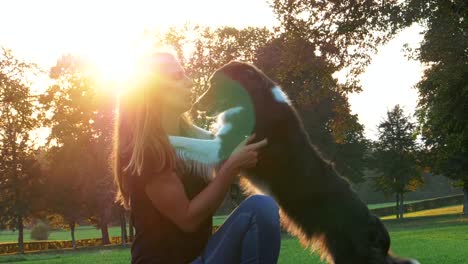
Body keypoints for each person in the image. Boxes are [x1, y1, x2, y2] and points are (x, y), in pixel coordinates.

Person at [112, 51, 281, 264]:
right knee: (259, 209)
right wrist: (230, 167)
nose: (190, 83)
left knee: (263, 208)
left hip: (201, 257)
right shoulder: (148, 152)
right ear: (152, 92)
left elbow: (226, 155)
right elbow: (188, 219)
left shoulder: (193, 139)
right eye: (177, 77)